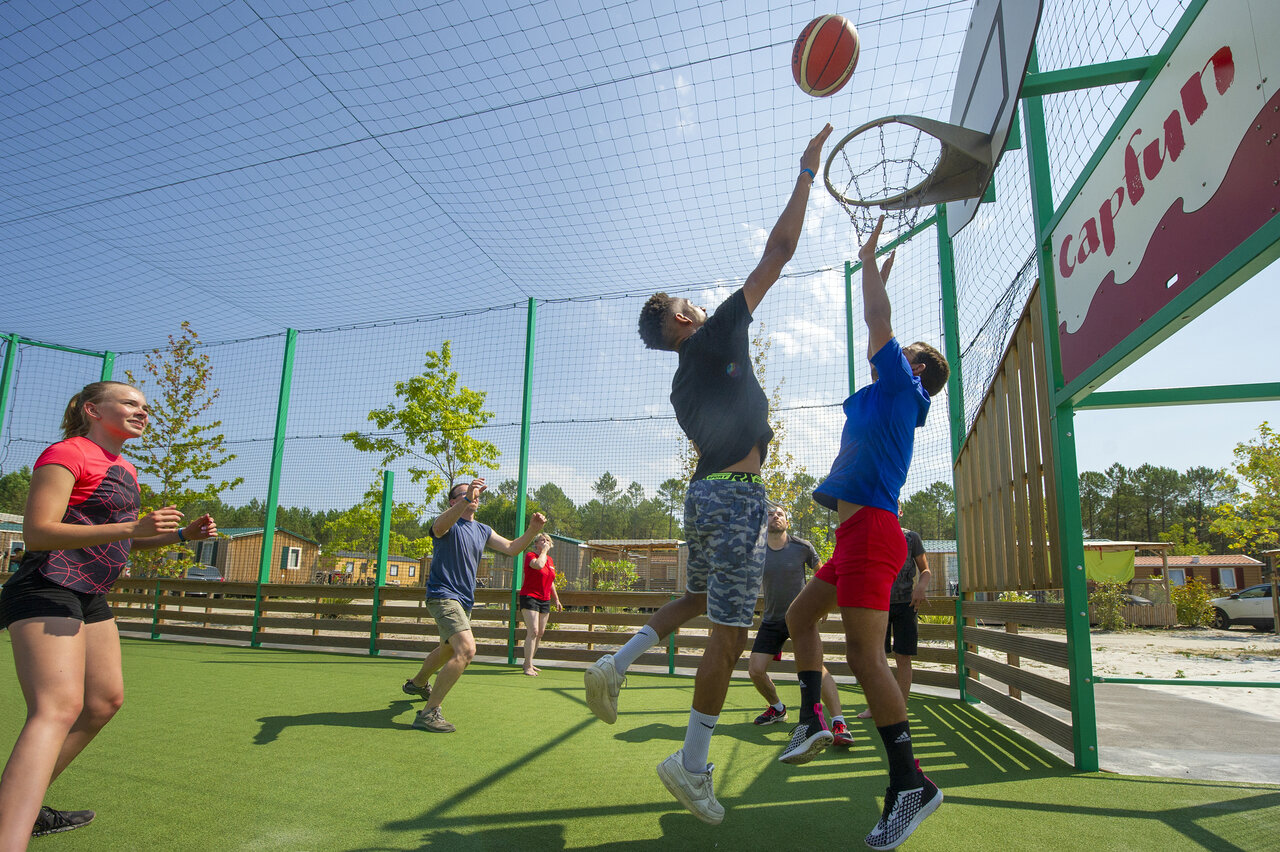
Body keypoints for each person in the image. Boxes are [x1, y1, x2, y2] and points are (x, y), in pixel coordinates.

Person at [582, 124, 834, 826]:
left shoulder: (678, 387)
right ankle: (690, 767)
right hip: (734, 500)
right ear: (685, 319)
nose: (698, 302)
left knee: (697, 600)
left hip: (704, 499)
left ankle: (618, 661)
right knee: (729, 635)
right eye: (688, 303)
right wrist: (807, 172)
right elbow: (779, 252)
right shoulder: (716, 333)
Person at [780, 215, 950, 850]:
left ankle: (910, 784)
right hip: (854, 535)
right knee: (799, 619)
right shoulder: (883, 394)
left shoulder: (905, 392)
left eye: (911, 354)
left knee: (864, 657)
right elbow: (878, 328)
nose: (899, 351)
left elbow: (878, 322)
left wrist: (870, 259)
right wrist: (874, 276)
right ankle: (812, 719)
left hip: (876, 533)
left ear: (917, 370)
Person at [0, 381, 217, 848]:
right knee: (56, 708)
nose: (142, 412)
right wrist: (129, 526)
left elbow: (118, 538)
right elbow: (38, 532)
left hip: (90, 593)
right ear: (93, 409)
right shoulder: (67, 453)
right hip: (47, 584)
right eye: (130, 404)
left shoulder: (125, 467)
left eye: (145, 407)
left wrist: (181, 536)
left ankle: (15, 805)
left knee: (103, 702)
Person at [402, 478, 545, 733]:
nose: (475, 496)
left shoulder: (482, 529)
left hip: (464, 600)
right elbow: (438, 527)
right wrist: (467, 496)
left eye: (477, 493)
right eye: (467, 493)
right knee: (467, 650)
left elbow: (512, 548)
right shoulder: (447, 524)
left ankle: (418, 682)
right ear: (453, 501)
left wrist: (533, 530)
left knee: (447, 651)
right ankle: (429, 713)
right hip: (443, 595)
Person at [748, 505, 852, 748]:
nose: (775, 516)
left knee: (817, 669)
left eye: (780, 514)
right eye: (770, 514)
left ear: (787, 520)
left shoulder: (802, 547)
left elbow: (823, 574)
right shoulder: (757, 550)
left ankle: (839, 723)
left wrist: (820, 604)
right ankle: (777, 708)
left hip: (801, 619)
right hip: (772, 620)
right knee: (755, 670)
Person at [857, 527, 930, 719]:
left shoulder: (912, 538)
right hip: (877, 604)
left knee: (903, 657)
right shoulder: (871, 535)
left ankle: (900, 708)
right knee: (875, 658)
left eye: (895, 504)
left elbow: (925, 570)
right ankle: (875, 707)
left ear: (900, 510)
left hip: (907, 605)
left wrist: (920, 588)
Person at [518, 532, 562, 676]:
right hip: (529, 597)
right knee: (533, 631)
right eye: (541, 540)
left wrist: (556, 599)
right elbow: (538, 566)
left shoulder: (549, 559)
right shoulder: (531, 556)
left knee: (540, 633)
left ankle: (529, 662)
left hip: (545, 599)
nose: (545, 542)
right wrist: (543, 551)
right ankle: (527, 666)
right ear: (536, 543)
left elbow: (551, 581)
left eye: (547, 540)